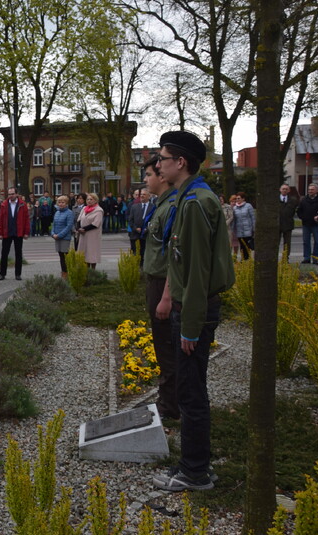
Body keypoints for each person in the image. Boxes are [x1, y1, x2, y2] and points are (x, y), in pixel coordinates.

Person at [153, 130, 234, 492]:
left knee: (190, 393)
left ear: (180, 162)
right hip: (188, 306)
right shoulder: (189, 198)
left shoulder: (196, 203)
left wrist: (190, 326)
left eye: (163, 159)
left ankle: (195, 472)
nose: (159, 165)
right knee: (190, 389)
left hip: (193, 309)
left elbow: (198, 271)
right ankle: (195, 465)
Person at [140, 156, 178, 420]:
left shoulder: (171, 208)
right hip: (155, 281)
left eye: (149, 175)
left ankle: (170, 404)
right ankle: (168, 399)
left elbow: (175, 257)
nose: (145, 180)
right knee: (162, 343)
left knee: (166, 345)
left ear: (161, 177)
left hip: (163, 283)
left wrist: (166, 295)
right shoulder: (161, 205)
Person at [0, 186, 30, 280]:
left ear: (16, 194)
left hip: (18, 232)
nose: (10, 196)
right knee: (4, 254)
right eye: (9, 194)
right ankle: (2, 273)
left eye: (12, 194)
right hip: (7, 232)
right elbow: (0, 219)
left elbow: (26, 219)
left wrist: (26, 232)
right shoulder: (4, 204)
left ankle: (18, 274)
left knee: (18, 254)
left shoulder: (22, 204)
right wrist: (0, 232)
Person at [76, 193, 103, 269]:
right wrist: (78, 228)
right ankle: (86, 270)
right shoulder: (84, 208)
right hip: (83, 235)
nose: (89, 201)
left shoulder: (99, 210)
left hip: (92, 235)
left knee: (92, 253)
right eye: (88, 199)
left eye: (91, 199)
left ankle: (92, 271)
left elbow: (96, 224)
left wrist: (84, 229)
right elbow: (79, 219)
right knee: (84, 253)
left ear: (95, 200)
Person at [50, 195, 74, 280]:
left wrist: (59, 235)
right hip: (56, 237)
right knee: (60, 256)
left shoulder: (69, 213)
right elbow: (54, 224)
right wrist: (52, 233)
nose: (61, 204)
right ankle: (63, 272)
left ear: (66, 203)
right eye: (59, 202)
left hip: (65, 238)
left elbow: (69, 226)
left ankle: (67, 272)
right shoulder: (57, 212)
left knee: (65, 256)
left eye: (63, 202)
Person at [298, 183, 318, 264]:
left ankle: (315, 258)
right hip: (306, 224)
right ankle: (306, 258)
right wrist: (303, 217)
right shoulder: (304, 200)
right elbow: (299, 211)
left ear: (317, 190)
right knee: (306, 242)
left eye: (312, 189)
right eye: (309, 189)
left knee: (317, 242)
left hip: (317, 224)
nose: (310, 191)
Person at [128, 189, 155, 259]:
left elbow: (154, 220)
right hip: (135, 235)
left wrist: (147, 229)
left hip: (147, 236)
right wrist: (135, 228)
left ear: (149, 196)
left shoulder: (153, 207)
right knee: (135, 254)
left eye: (144, 194)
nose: (142, 196)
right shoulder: (134, 207)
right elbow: (130, 220)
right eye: (141, 194)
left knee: (144, 254)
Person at [232, 192, 255, 260]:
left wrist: (253, 228)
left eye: (239, 198)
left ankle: (247, 259)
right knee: (242, 246)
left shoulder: (248, 206)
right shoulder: (235, 208)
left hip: (248, 230)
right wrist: (233, 230)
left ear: (243, 199)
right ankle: (243, 259)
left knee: (247, 246)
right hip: (239, 230)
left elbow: (252, 218)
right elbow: (234, 220)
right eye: (236, 198)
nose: (237, 200)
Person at [278, 184, 299, 259]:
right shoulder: (274, 199)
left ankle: (285, 259)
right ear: (280, 190)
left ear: (289, 190)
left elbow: (297, 210)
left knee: (287, 244)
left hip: (288, 224)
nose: (284, 190)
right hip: (277, 225)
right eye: (283, 189)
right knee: (275, 243)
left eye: (286, 189)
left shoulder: (293, 200)